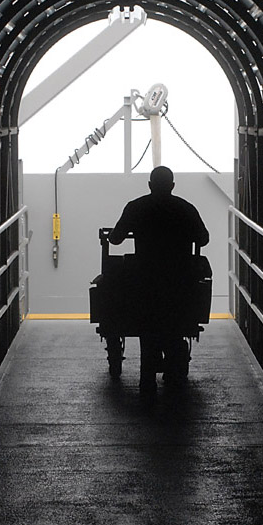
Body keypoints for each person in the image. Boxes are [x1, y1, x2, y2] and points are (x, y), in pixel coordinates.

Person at [109, 166, 209, 399]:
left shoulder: (136, 207)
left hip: (144, 281)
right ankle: (174, 373)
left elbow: (115, 239)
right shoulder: (185, 209)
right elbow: (203, 238)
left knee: (148, 327)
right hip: (179, 281)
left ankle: (147, 380)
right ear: (173, 186)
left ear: (150, 185)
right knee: (173, 328)